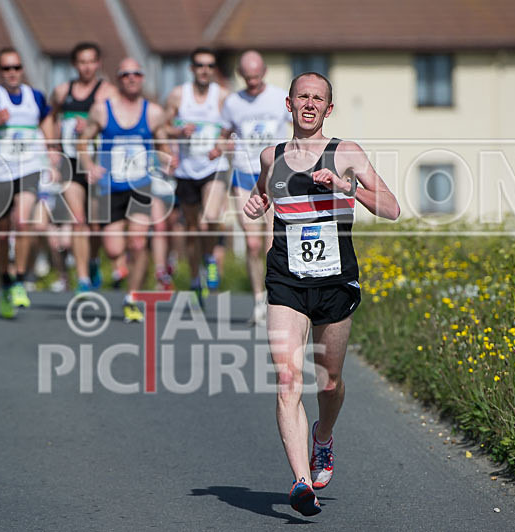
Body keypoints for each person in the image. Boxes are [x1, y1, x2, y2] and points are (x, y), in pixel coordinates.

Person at [243, 72, 400, 516]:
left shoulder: (345, 152)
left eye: (318, 99)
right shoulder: (270, 156)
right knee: (289, 379)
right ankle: (301, 482)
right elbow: (261, 196)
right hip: (286, 280)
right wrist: (254, 205)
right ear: (288, 104)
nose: (309, 104)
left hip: (334, 279)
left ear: (328, 109)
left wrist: (347, 187)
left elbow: (391, 207)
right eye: (302, 97)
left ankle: (323, 438)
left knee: (328, 382)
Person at [0, 46, 57, 319]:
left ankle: (19, 278)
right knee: (3, 232)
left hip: (28, 169)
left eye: (16, 67)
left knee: (24, 221)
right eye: (7, 68)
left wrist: (51, 148)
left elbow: (47, 117)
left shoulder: (34, 97)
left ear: (22, 69)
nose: (12, 73)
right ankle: (5, 277)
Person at [78, 58, 173, 322]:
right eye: (125, 75)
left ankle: (132, 296)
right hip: (110, 187)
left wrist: (167, 159)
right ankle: (106, 267)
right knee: (113, 249)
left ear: (142, 78)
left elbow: (163, 144)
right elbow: (82, 142)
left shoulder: (152, 112)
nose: (131, 78)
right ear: (118, 79)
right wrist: (89, 166)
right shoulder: (102, 110)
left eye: (136, 74)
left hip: (140, 186)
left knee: (139, 242)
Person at [215, 50, 291, 325]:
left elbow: (302, 128)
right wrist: (221, 147)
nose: (253, 83)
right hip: (244, 175)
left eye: (257, 77)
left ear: (265, 72)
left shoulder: (280, 98)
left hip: (276, 175)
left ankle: (275, 299)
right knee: (252, 242)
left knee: (272, 242)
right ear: (241, 75)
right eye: (248, 79)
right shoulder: (233, 102)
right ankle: (259, 300)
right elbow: (223, 135)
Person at [165, 47, 230, 306]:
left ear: (214, 70)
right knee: (191, 229)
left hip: (213, 165)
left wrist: (222, 144)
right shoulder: (178, 95)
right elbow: (163, 126)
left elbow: (232, 127)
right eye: (200, 65)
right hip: (186, 169)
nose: (205, 70)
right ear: (192, 69)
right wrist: (177, 133)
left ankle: (211, 258)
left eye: (210, 66)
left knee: (211, 217)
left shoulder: (222, 96)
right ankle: (195, 277)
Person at [50, 42, 116, 292]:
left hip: (97, 164)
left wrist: (87, 124)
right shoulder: (61, 91)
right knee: (78, 220)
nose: (87, 67)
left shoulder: (107, 93)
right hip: (70, 162)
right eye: (82, 62)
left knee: (96, 224)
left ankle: (93, 259)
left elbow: (114, 122)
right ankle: (82, 278)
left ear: (98, 64)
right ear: (74, 64)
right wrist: (53, 146)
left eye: (91, 62)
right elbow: (50, 116)